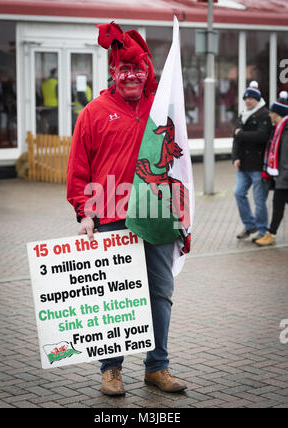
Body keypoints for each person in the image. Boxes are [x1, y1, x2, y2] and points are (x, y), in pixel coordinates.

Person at [67, 22, 187, 396]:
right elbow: (78, 169)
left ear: (147, 71)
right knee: (114, 297)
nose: (132, 76)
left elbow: (179, 162)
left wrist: (184, 214)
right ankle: (111, 370)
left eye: (138, 69)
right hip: (110, 217)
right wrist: (84, 213)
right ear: (113, 74)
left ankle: (157, 367)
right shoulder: (94, 112)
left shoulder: (159, 108)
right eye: (125, 70)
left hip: (156, 215)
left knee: (161, 293)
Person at [232, 81, 272, 242]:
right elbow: (235, 139)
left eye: (251, 99)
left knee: (259, 200)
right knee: (238, 193)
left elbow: (262, 136)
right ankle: (250, 225)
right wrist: (235, 157)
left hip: (258, 165)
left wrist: (241, 134)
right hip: (243, 165)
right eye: (246, 98)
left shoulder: (264, 115)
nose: (248, 101)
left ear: (257, 100)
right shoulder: (242, 114)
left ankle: (262, 230)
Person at [255, 92, 288, 246]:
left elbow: (285, 158)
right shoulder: (279, 129)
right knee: (278, 206)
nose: (270, 116)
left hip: (284, 178)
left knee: (277, 206)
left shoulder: (285, 131)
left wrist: (281, 178)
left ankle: (271, 234)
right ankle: (271, 233)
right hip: (281, 177)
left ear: (278, 114)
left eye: (272, 113)